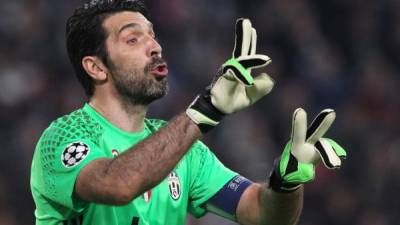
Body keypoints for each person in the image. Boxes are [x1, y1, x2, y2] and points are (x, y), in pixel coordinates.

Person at [30, 0, 347, 225]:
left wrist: (285, 182)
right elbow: (119, 184)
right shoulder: (63, 138)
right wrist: (204, 111)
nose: (155, 46)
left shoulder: (186, 153)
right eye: (132, 38)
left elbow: (263, 213)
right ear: (96, 67)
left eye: (152, 35)